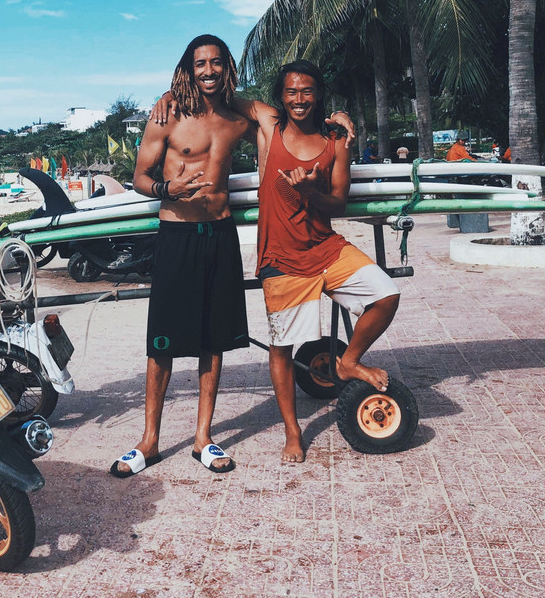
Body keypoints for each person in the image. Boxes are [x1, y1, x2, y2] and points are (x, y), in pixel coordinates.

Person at [114, 36, 355, 478]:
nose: (208, 71)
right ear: (188, 68)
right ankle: (150, 440)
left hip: (220, 234)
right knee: (162, 343)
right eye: (200, 64)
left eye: (216, 63)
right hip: (177, 234)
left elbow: (295, 114)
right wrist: (171, 189)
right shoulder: (167, 115)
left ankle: (203, 438)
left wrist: (337, 114)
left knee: (213, 341)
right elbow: (140, 179)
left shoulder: (239, 116)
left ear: (228, 68)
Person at [231, 61, 399, 464]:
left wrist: (309, 192)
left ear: (319, 93)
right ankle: (292, 431)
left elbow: (338, 202)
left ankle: (349, 361)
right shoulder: (267, 127)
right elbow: (219, 96)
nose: (299, 99)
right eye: (291, 91)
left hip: (326, 247)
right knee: (282, 347)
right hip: (281, 258)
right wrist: (169, 99)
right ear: (281, 96)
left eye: (307, 91)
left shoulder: (335, 141)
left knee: (386, 294)